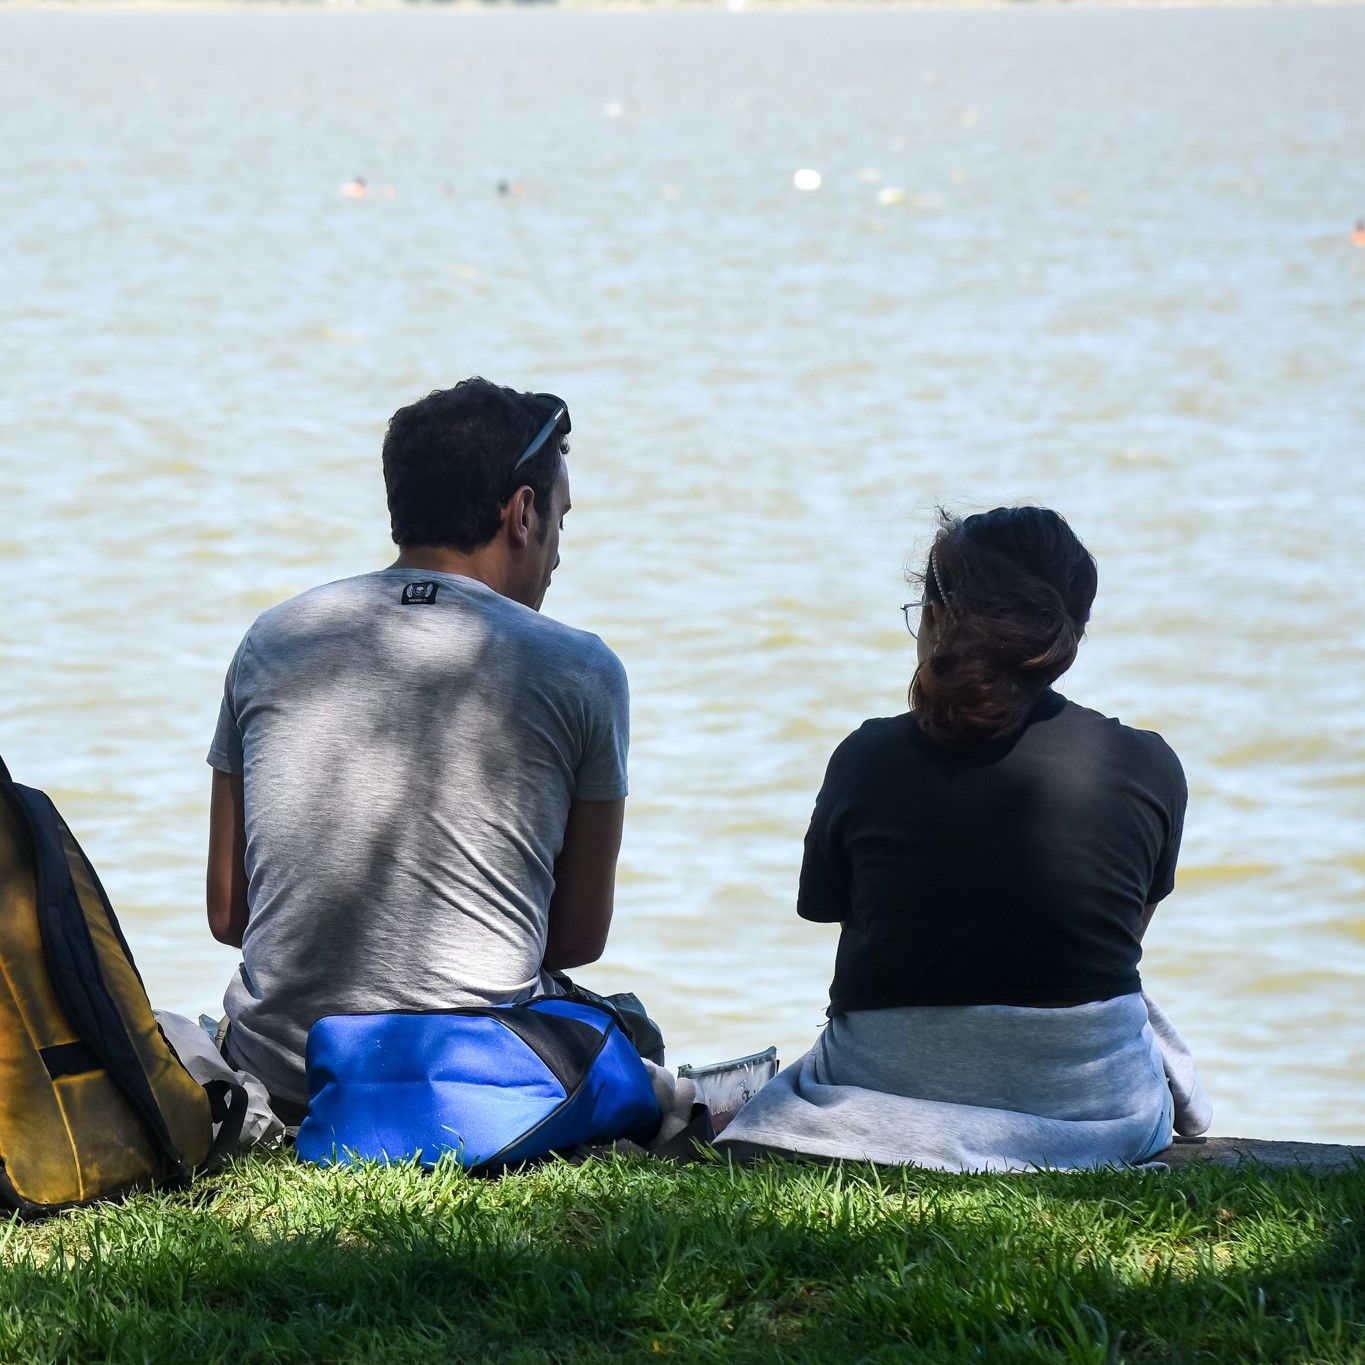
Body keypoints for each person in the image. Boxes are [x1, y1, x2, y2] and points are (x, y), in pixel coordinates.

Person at [718, 506, 1210, 1170]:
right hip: (1093, 1105)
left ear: (936, 618)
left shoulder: (864, 757)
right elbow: (1111, 937)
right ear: (1069, 631)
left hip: (879, 1087)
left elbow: (838, 912)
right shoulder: (1147, 766)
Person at [205, 379, 633, 1122]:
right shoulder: (582, 668)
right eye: (561, 521)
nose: (559, 555)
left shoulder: (272, 639)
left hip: (281, 1067)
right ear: (522, 513)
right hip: (471, 1083)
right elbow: (574, 938)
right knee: (627, 1028)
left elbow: (228, 913)